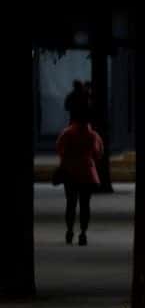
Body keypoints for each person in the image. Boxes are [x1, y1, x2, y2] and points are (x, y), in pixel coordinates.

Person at [55, 105, 104, 246]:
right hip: (87, 173)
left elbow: (60, 150)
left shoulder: (67, 133)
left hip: (70, 173)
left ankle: (69, 230)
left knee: (70, 203)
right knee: (85, 204)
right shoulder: (93, 135)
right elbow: (98, 154)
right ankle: (83, 233)